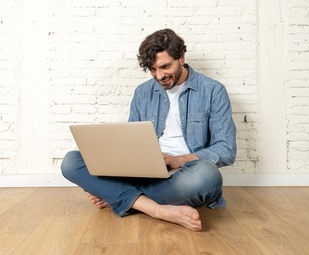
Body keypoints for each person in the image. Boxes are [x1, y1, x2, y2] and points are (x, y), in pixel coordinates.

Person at [61, 28, 236, 231]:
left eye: (165, 66)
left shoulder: (213, 91)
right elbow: (129, 144)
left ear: (181, 57)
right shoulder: (143, 92)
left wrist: (177, 160)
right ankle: (157, 209)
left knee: (208, 176)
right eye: (153, 70)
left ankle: (120, 195)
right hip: (145, 173)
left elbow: (226, 150)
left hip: (184, 174)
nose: (159, 75)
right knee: (71, 161)